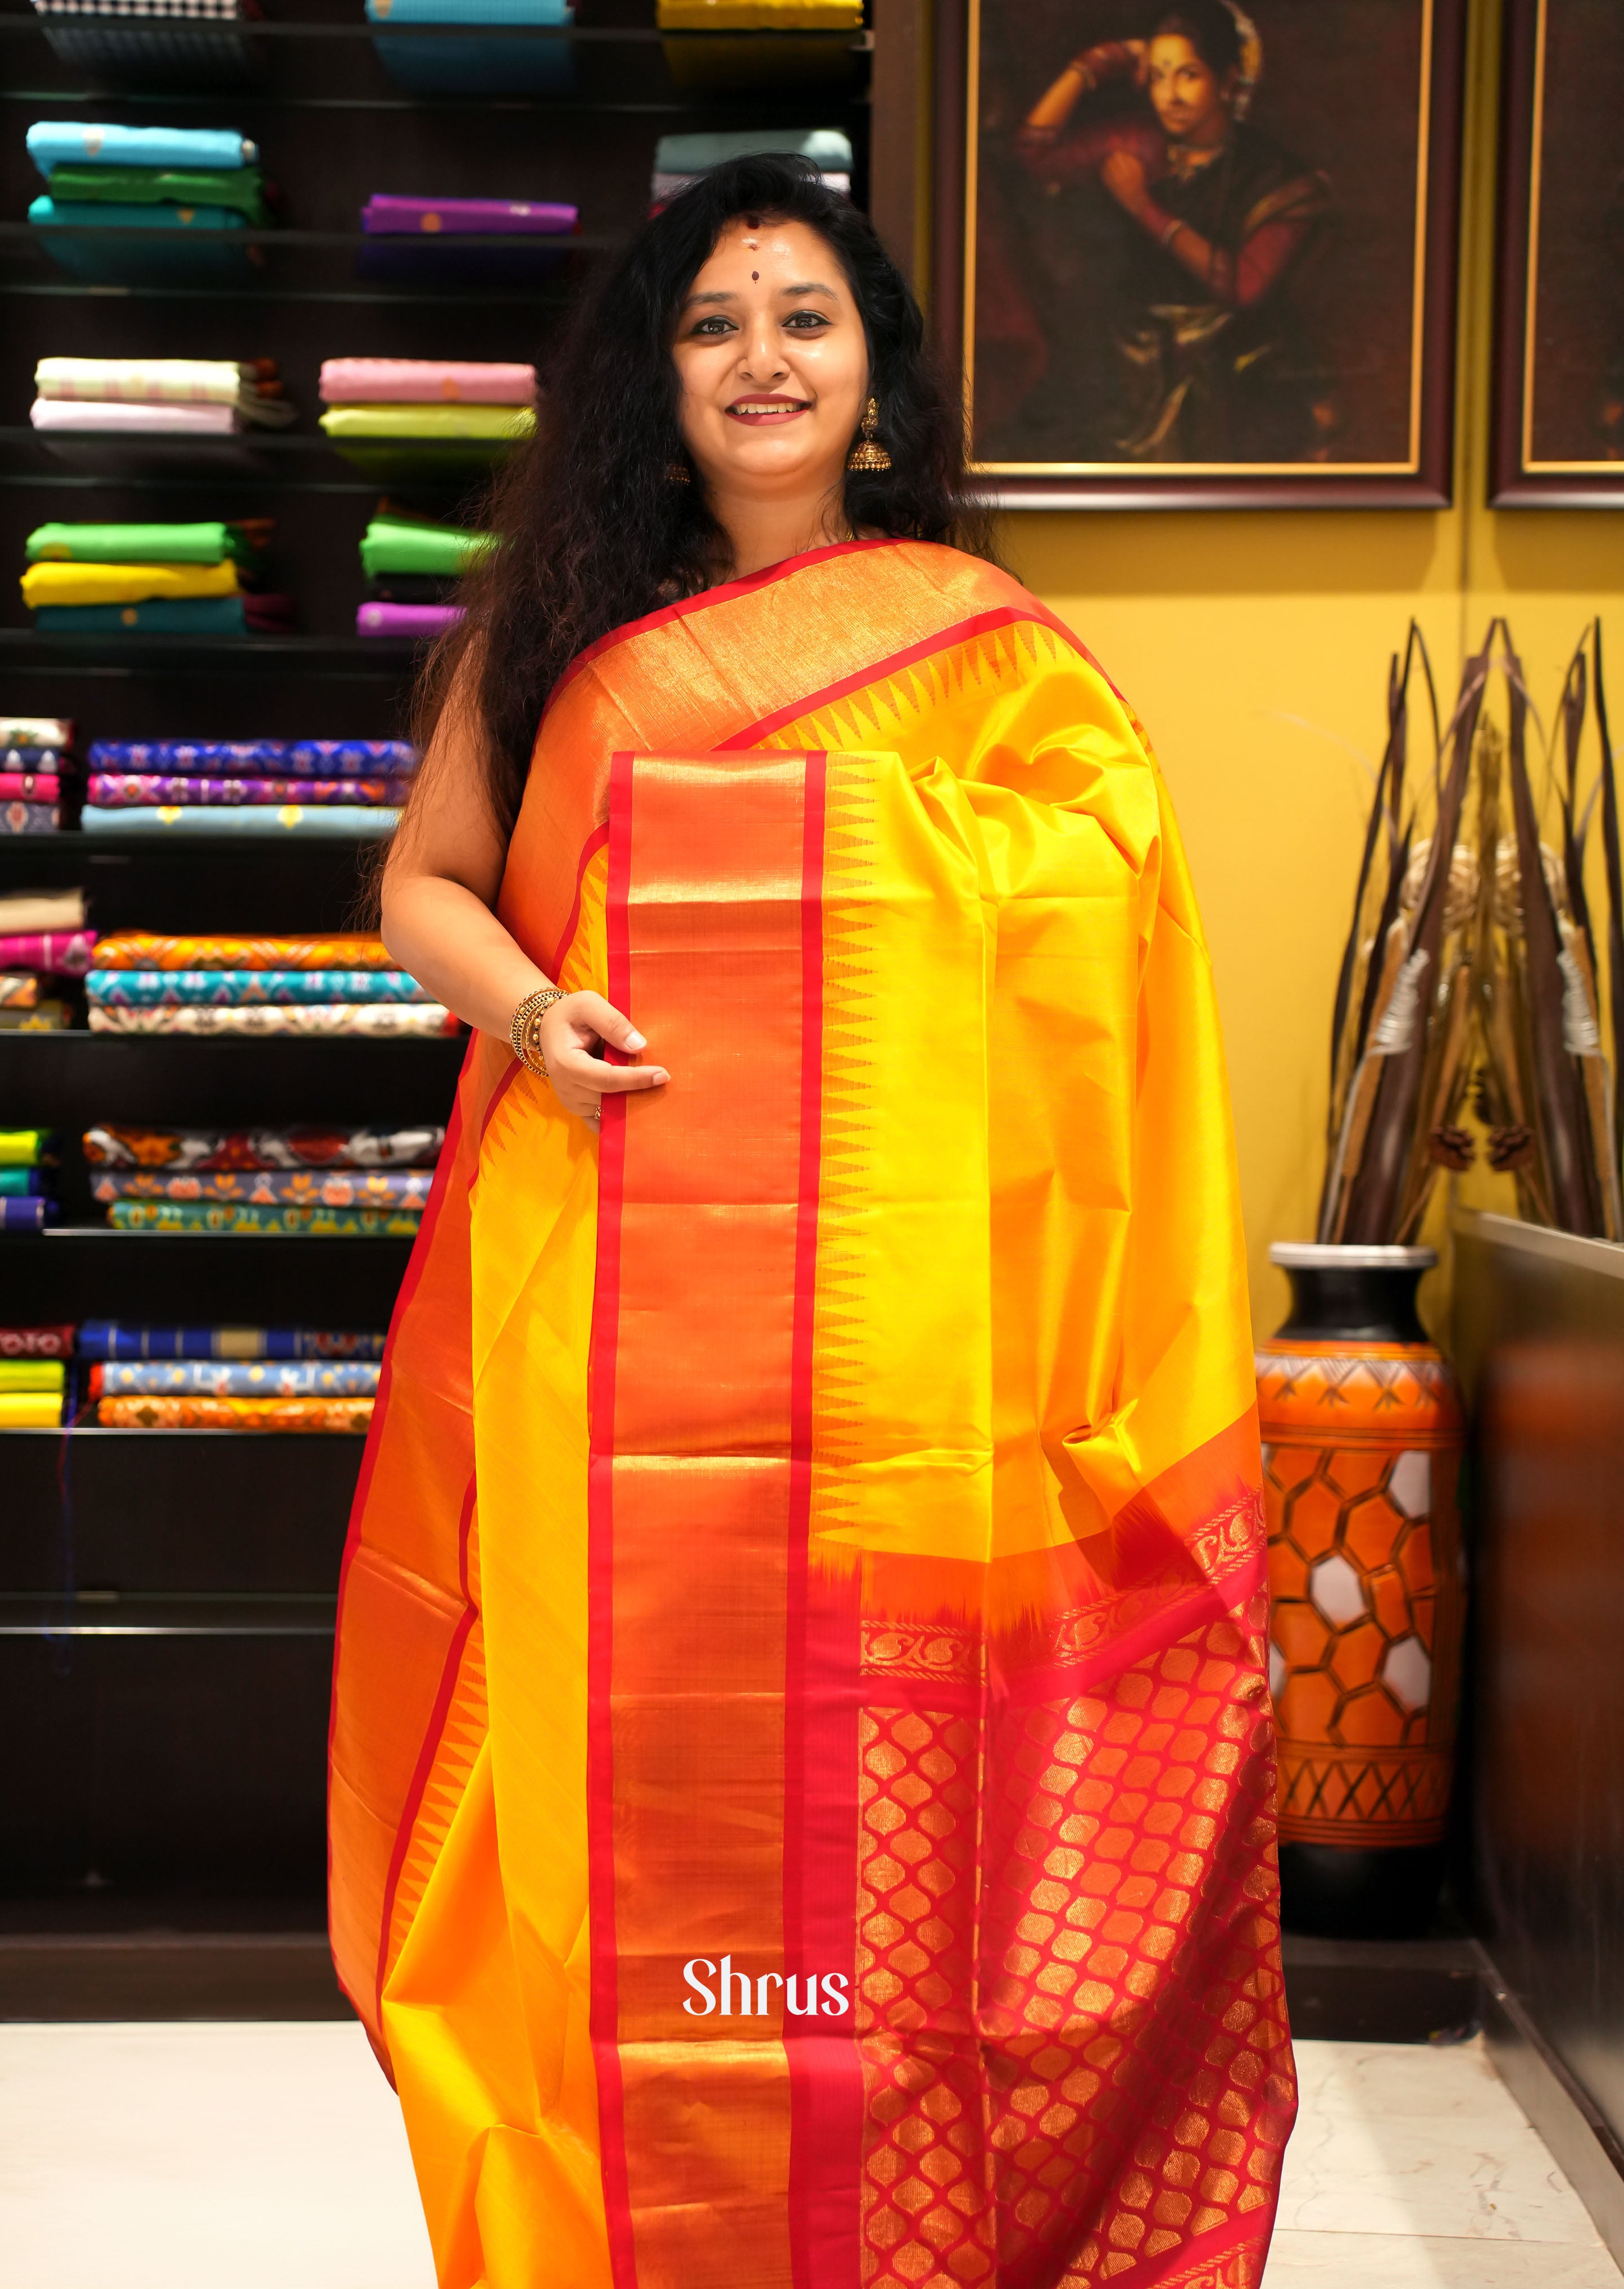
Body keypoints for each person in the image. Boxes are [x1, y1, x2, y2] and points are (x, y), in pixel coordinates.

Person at [328, 152, 1294, 2289]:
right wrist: (532, 1005)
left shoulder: (980, 655)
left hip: (894, 1331)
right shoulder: (564, 629)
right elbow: (424, 884)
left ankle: (893, 2217)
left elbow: (1096, 913)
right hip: (604, 1279)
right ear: (651, 382)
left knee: (887, 1772)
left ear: (872, 370)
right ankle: (633, 2218)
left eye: (800, 317)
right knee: (617, 1766)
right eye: (707, 324)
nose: (756, 360)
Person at [994, 0, 1333, 463]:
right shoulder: (1139, 144)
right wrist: (1091, 66)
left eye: (1188, 75)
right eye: (1157, 76)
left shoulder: (1276, 178)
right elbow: (1033, 151)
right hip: (1131, 373)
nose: (1169, 95)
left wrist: (1143, 207)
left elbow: (1242, 285)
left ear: (1229, 81)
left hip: (1233, 376)